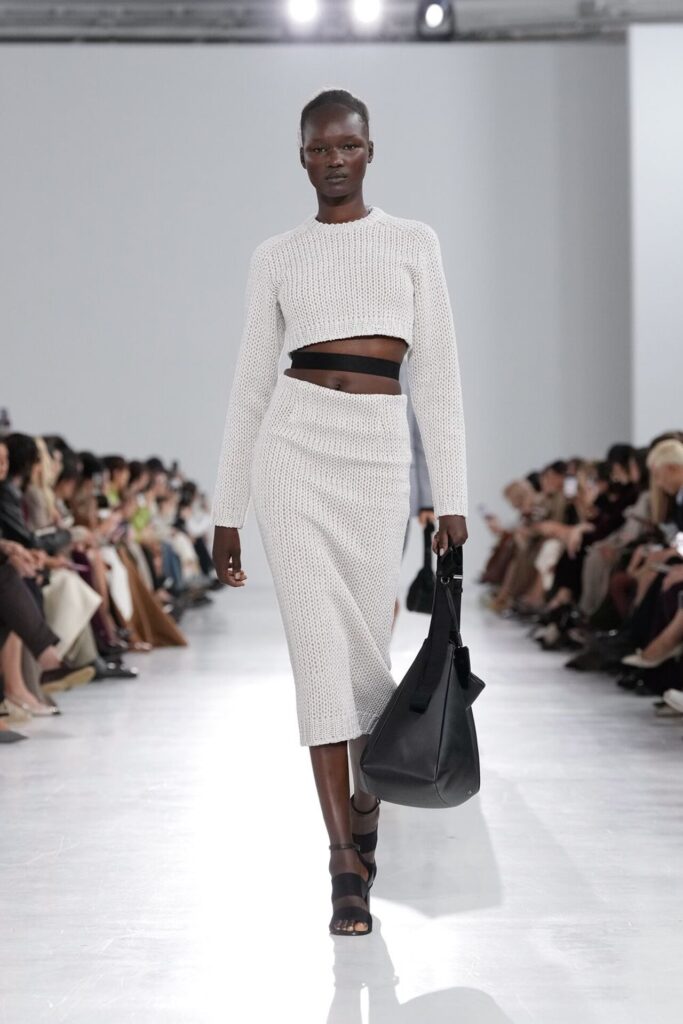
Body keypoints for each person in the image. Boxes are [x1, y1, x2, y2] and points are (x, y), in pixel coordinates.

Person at [210, 89, 468, 937]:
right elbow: (250, 388)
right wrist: (227, 508)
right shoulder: (276, 256)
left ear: (369, 150)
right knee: (320, 663)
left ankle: (366, 804)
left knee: (365, 660)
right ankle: (343, 866)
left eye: (346, 146)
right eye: (318, 148)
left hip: (378, 460)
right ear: (301, 157)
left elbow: (438, 378)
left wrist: (450, 498)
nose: (333, 160)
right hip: (292, 453)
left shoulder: (412, 243)